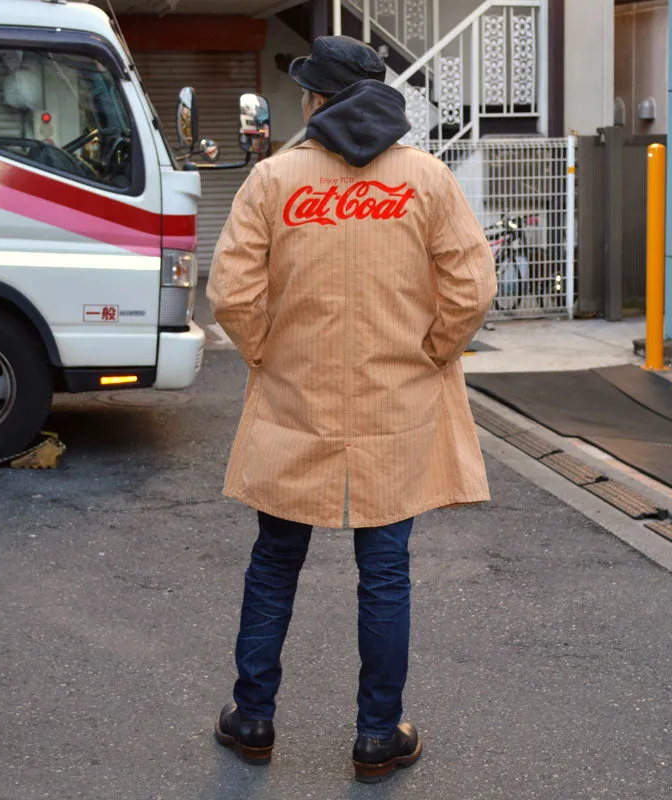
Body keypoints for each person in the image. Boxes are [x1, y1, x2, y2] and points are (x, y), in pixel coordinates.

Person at [207, 35, 496, 784]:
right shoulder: (427, 179)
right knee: (386, 571)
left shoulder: (274, 179)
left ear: (317, 99)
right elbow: (471, 290)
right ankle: (376, 735)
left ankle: (254, 720)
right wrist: (430, 351)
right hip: (395, 405)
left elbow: (232, 294)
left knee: (274, 562)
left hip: (292, 405)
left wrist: (271, 353)